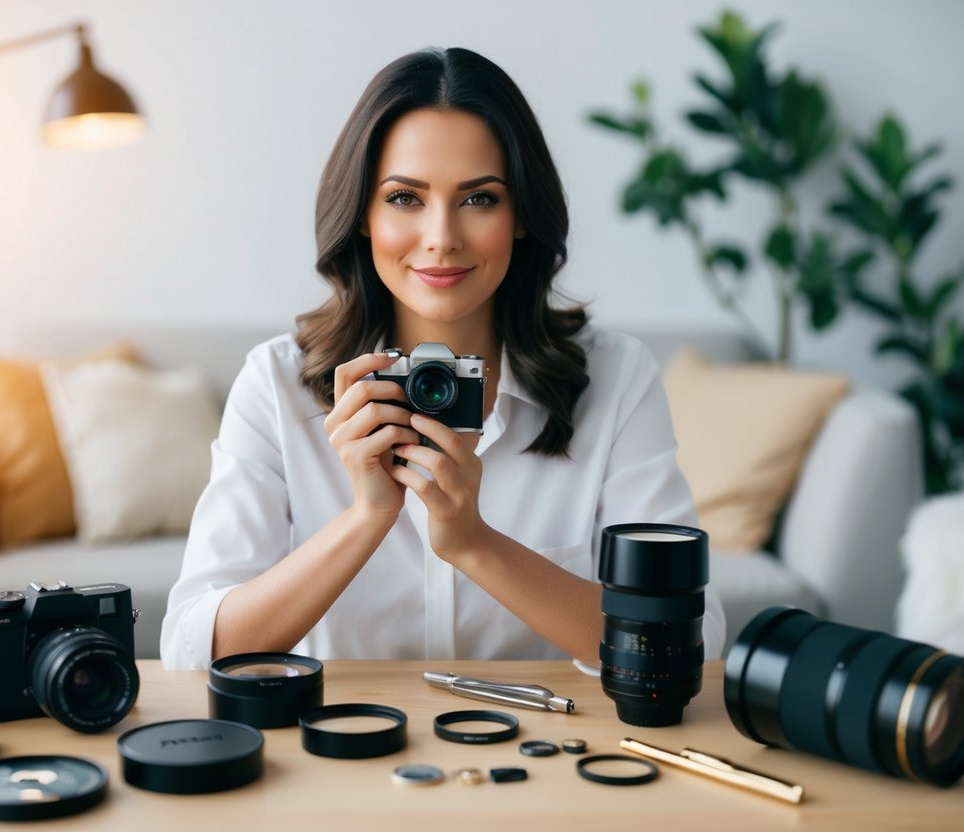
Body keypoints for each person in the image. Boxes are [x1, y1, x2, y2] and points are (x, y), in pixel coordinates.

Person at [161, 46, 725, 670]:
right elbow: (191, 649)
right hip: (343, 747)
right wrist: (368, 517)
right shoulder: (276, 383)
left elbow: (688, 640)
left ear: (520, 217)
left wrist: (476, 545)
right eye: (405, 197)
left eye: (479, 199)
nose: (441, 237)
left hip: (539, 748)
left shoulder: (615, 379)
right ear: (364, 216)